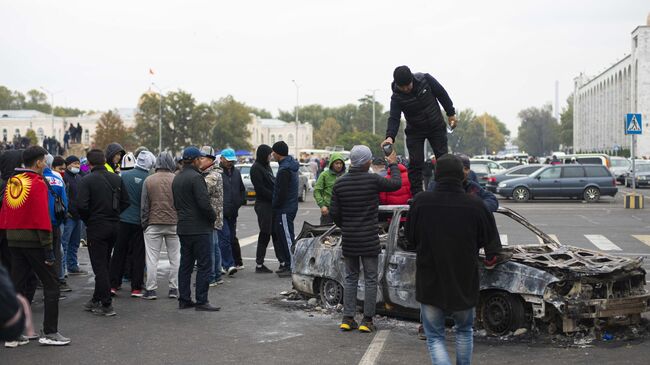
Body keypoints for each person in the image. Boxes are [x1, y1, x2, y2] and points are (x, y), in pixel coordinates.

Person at [406, 154, 510, 364]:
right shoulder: (476, 205)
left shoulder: (420, 202)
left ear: (437, 174)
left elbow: (410, 239)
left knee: (435, 336)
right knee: (464, 331)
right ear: (462, 176)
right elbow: (492, 247)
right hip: (464, 280)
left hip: (430, 279)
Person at [0, 146, 70, 345]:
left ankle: (13, 335)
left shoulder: (13, 181)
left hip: (13, 240)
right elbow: (42, 218)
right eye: (44, 160)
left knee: (16, 285)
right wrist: (48, 249)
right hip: (34, 242)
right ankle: (50, 332)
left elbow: (5, 212)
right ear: (39, 162)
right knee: (52, 285)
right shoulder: (37, 183)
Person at [330, 145, 401, 333]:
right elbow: (396, 184)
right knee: (370, 279)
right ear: (367, 161)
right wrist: (393, 164)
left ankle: (348, 318)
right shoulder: (373, 180)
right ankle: (367, 320)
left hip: (350, 238)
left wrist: (346, 226)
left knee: (350, 277)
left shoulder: (339, 183)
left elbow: (334, 213)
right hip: (369, 238)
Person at [382, 65, 457, 196]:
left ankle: (445, 189)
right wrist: (390, 137)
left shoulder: (425, 79)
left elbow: (441, 93)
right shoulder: (396, 97)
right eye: (402, 87)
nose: (406, 89)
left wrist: (451, 113)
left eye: (408, 85)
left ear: (412, 79)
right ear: (397, 85)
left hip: (436, 126)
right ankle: (416, 193)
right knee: (416, 162)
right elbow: (394, 118)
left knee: (443, 159)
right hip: (415, 131)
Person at [77, 149, 130, 317]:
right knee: (104, 263)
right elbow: (126, 202)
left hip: (97, 227)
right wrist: (115, 214)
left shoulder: (87, 180)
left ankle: (106, 303)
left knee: (99, 266)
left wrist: (89, 220)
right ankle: (97, 297)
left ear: (89, 163)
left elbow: (81, 206)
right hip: (114, 225)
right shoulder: (116, 178)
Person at [172, 147, 219, 311]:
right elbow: (204, 203)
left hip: (183, 226)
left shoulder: (177, 178)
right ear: (195, 160)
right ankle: (201, 300)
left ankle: (184, 299)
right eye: (200, 158)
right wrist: (212, 217)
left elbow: (176, 203)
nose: (201, 160)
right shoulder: (196, 178)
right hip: (199, 227)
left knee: (185, 264)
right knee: (204, 265)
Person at [109, 151, 155, 297]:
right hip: (139, 222)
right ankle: (136, 287)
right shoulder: (149, 179)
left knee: (119, 253)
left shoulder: (124, 176)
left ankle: (113, 284)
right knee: (138, 254)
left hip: (122, 220)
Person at [141, 152, 180, 300]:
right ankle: (173, 288)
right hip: (174, 223)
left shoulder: (149, 180)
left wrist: (144, 223)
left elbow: (144, 205)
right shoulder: (176, 179)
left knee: (152, 259)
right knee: (175, 257)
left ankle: (151, 290)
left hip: (153, 223)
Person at [427, 155, 498, 212]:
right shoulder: (435, 185)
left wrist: (477, 208)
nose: (464, 172)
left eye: (466, 169)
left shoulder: (471, 185)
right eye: (461, 168)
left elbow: (490, 198)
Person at [249, 144, 280, 273]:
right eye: (268, 154)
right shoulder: (256, 168)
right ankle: (259, 264)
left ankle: (282, 261)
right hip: (263, 205)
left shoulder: (266, 167)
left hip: (270, 204)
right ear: (263, 155)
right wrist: (274, 196)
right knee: (265, 232)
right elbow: (260, 189)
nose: (270, 157)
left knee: (275, 233)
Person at [271, 141, 300, 277]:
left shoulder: (284, 169)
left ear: (277, 153)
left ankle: (292, 266)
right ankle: (288, 264)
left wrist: (275, 204)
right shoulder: (289, 165)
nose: (272, 155)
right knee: (284, 236)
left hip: (285, 208)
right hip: (289, 206)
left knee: (288, 237)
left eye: (273, 152)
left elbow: (281, 192)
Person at [198, 146, 225, 286]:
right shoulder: (208, 173)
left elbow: (202, 189)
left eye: (201, 158)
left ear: (210, 159)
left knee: (210, 247)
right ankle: (217, 275)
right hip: (212, 216)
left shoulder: (213, 175)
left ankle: (212, 276)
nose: (199, 161)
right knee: (214, 246)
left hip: (211, 216)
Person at [43, 155, 69, 293]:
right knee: (56, 252)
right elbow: (64, 202)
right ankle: (57, 281)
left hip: (38, 224)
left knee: (40, 253)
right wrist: (62, 219)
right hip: (55, 222)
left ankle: (41, 282)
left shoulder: (33, 179)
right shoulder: (58, 178)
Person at [219, 148, 245, 274]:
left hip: (233, 212)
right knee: (224, 237)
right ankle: (228, 264)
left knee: (230, 238)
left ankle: (227, 263)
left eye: (232, 161)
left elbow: (241, 190)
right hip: (221, 212)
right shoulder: (217, 173)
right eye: (228, 160)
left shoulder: (236, 173)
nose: (230, 163)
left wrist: (238, 202)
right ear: (222, 159)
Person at [61, 156, 86, 275]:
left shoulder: (79, 177)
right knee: (65, 243)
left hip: (78, 216)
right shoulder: (64, 177)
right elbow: (66, 197)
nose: (77, 166)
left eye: (78, 163)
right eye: (75, 163)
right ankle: (63, 268)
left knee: (75, 243)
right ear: (68, 164)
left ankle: (72, 265)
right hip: (69, 216)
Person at [313, 152, 346, 225]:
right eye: (336, 163)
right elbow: (317, 191)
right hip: (328, 210)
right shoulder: (324, 175)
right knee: (325, 233)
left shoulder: (346, 175)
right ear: (332, 163)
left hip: (343, 210)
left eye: (341, 163)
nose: (339, 165)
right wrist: (322, 205)